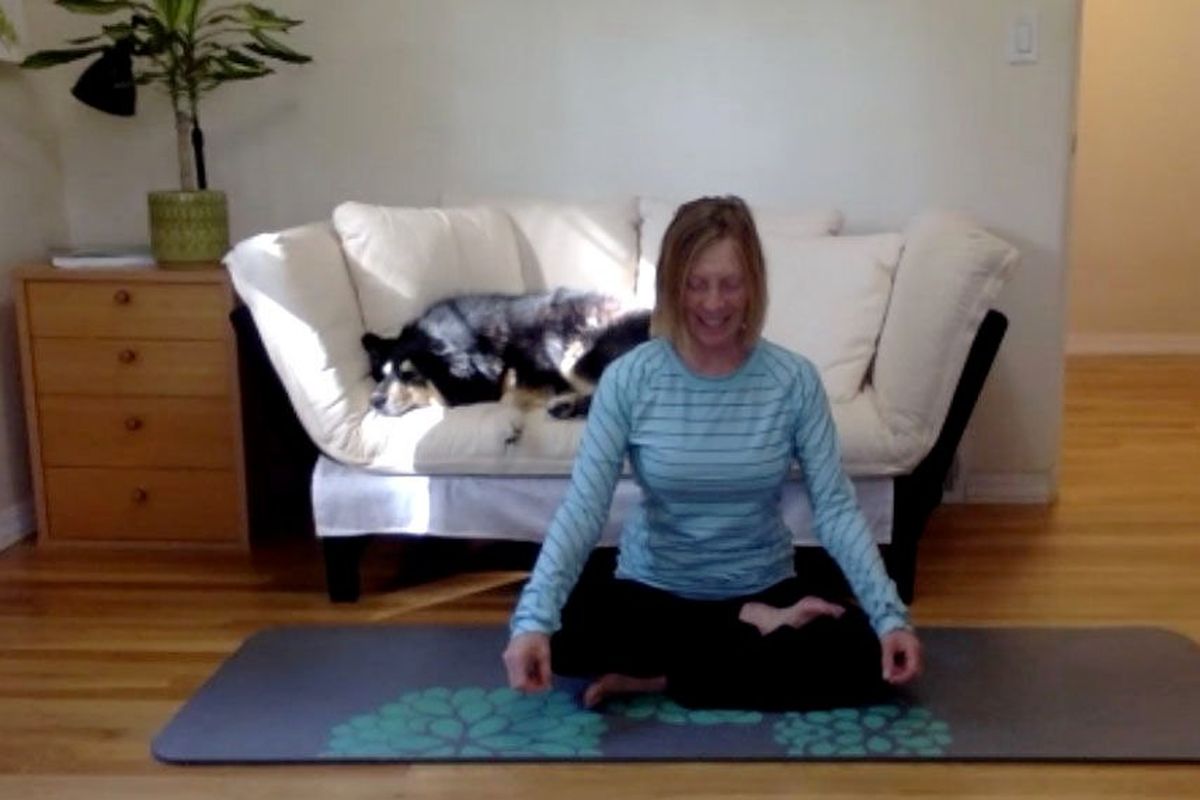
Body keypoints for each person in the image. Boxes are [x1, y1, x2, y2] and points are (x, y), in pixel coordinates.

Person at [502, 195, 922, 711]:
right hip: (653, 591)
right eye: (696, 284)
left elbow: (834, 508)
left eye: (730, 284)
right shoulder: (630, 378)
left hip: (762, 583)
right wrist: (533, 622)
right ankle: (741, 640)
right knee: (562, 630)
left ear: (754, 286)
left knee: (862, 654)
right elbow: (585, 507)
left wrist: (889, 618)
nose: (713, 304)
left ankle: (664, 675)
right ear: (672, 287)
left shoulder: (793, 380)